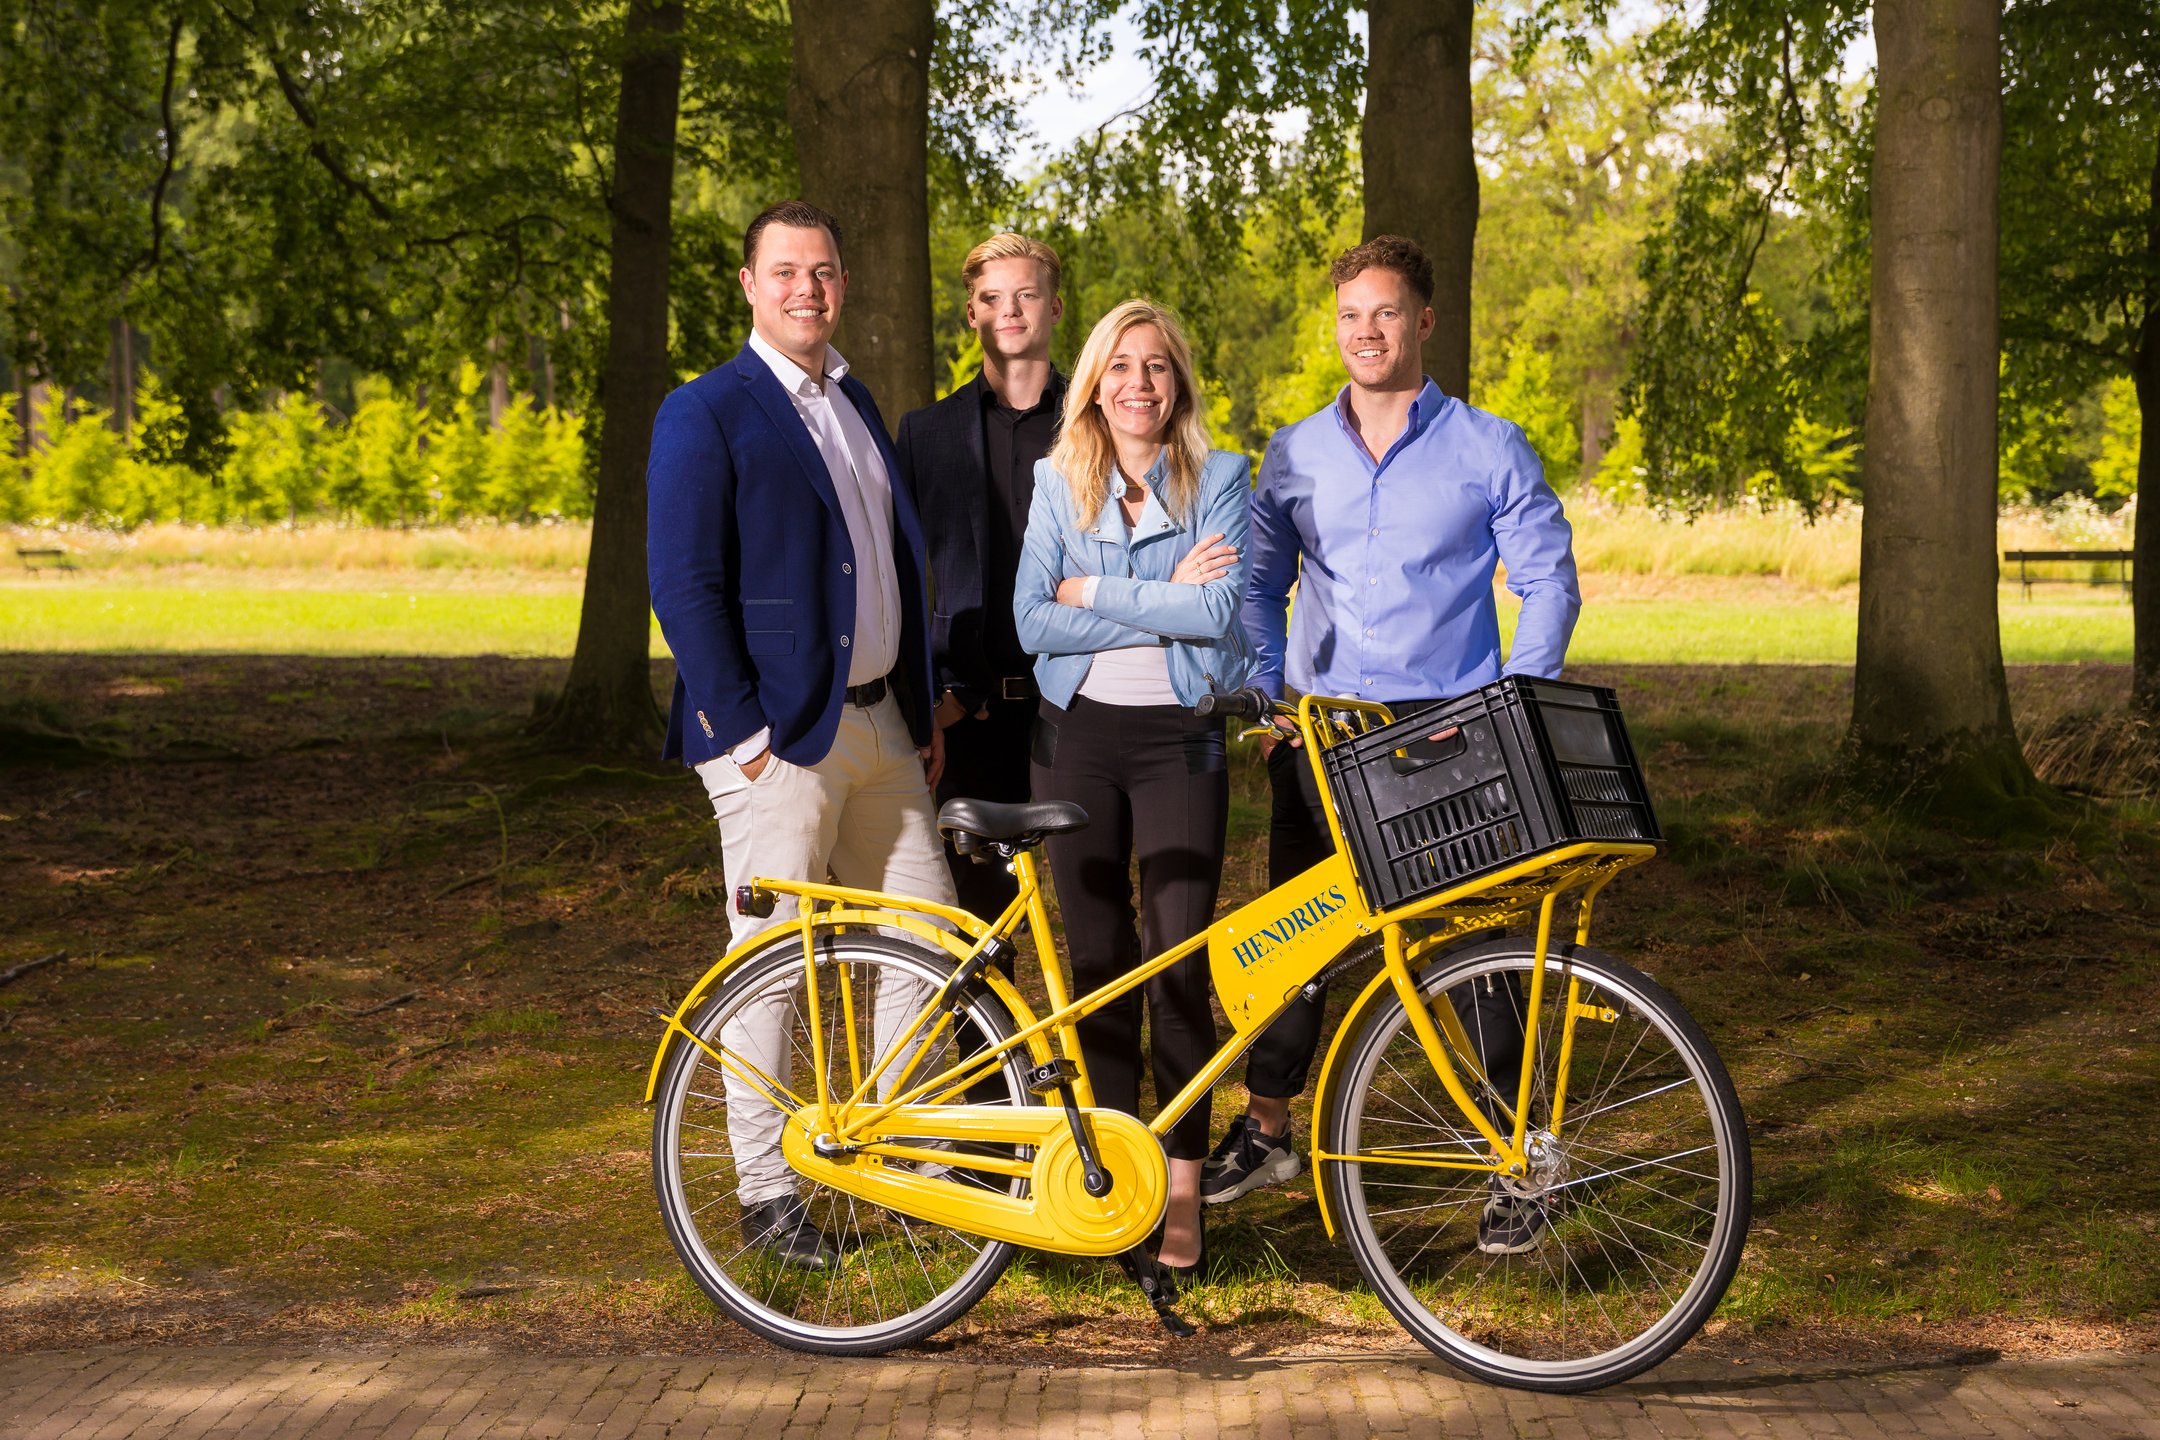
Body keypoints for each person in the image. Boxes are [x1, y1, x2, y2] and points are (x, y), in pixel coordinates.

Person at [1203, 235, 1581, 1258]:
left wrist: (1514, 698)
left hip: (1445, 737)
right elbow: (1255, 585)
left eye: (1384, 313)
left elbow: (1547, 580)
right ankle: (1270, 1129)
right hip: (1318, 737)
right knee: (1299, 941)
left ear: (1423, 321)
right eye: (1348, 316)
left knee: (1482, 953)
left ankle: (1518, 1163)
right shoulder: (1294, 453)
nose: (1365, 333)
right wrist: (1268, 690)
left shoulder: (1491, 448)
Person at [645, 199, 951, 1272]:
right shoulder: (707, 410)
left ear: (843, 284)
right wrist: (746, 736)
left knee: (929, 943)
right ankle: (767, 1197)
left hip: (882, 729)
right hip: (780, 743)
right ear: (747, 285)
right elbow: (683, 586)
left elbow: (885, 567)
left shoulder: (857, 399)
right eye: (784, 273)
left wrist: (917, 703)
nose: (805, 290)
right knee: (771, 965)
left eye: (821, 272)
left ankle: (909, 1162)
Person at [1013, 298, 1254, 1278]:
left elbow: (1223, 612)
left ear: (1178, 380)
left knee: (1179, 968)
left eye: (1155, 367)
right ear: (1094, 384)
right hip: (1075, 739)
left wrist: (1093, 594)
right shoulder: (1055, 480)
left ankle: (1186, 1185)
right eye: (1120, 367)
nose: (1138, 385)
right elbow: (1034, 623)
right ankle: (1123, 1180)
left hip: (1179, 739)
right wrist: (1163, 610)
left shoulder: (1224, 476)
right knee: (1102, 963)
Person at [894, 234, 1067, 923]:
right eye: (992, 298)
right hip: (972, 714)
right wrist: (930, 699)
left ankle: (1098, 1037)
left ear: (1054, 306)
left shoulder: (1101, 422)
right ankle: (991, 1038)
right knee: (977, 919)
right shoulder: (925, 434)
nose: (1011, 311)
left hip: (1078, 706)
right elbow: (901, 578)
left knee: (1097, 902)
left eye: (1026, 295)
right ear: (972, 314)